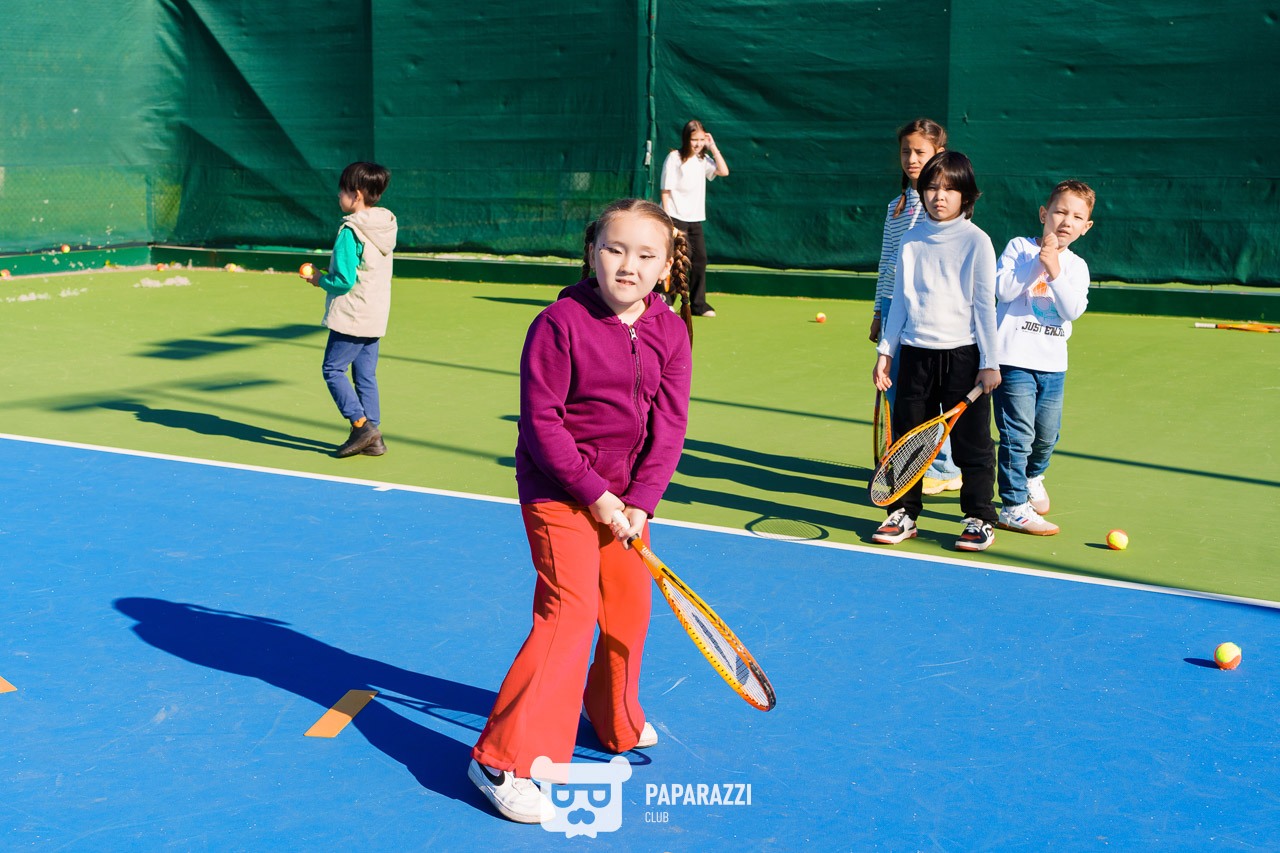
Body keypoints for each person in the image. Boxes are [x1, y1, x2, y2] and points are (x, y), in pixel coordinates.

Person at [468, 198, 693, 824]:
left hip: (625, 501)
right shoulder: (558, 324)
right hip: (559, 491)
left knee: (628, 608)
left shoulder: (671, 331)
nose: (628, 266)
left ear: (666, 265)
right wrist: (596, 496)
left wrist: (640, 504)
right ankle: (500, 760)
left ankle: (612, 720)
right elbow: (542, 423)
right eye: (615, 250)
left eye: (646, 255)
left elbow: (669, 429)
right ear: (592, 251)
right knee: (571, 611)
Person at [870, 151, 1001, 552]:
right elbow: (902, 302)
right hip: (915, 356)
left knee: (972, 444)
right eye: (931, 188)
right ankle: (904, 513)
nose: (938, 196)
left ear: (966, 195)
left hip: (964, 357)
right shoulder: (910, 239)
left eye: (949, 189)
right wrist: (886, 351)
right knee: (908, 441)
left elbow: (984, 305)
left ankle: (978, 517)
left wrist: (990, 362)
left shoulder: (977, 241)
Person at [992, 181, 1096, 536]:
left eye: (1077, 217)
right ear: (1044, 214)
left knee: (1046, 437)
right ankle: (1013, 506)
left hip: (1053, 366)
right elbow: (1003, 290)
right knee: (1017, 435)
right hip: (1012, 360)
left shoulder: (1077, 267)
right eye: (1060, 212)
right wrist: (1039, 262)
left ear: (1086, 227)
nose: (1066, 221)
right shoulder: (1019, 248)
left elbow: (1071, 311)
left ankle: (1034, 477)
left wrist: (1054, 269)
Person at [869, 119, 963, 495]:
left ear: (939, 154)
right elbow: (886, 261)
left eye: (920, 152)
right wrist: (879, 312)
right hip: (895, 307)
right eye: (906, 151)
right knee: (897, 390)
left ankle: (944, 466)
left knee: (931, 389)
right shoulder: (896, 205)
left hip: (930, 308)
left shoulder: (948, 206)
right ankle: (907, 460)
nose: (911, 158)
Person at [300, 162, 398, 458]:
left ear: (355, 195)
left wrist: (318, 279)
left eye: (342, 190)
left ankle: (361, 425)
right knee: (366, 376)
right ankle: (374, 437)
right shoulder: (385, 225)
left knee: (332, 369)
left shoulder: (350, 232)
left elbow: (343, 281)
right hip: (376, 314)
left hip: (353, 317)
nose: (338, 195)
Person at [660, 119, 728, 317]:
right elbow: (665, 190)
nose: (698, 143)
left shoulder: (703, 161)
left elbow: (723, 171)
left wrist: (712, 146)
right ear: (686, 139)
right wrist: (667, 220)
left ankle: (699, 305)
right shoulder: (674, 158)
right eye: (694, 139)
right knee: (679, 260)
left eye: (701, 139)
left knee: (700, 259)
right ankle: (667, 300)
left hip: (695, 219)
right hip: (675, 217)